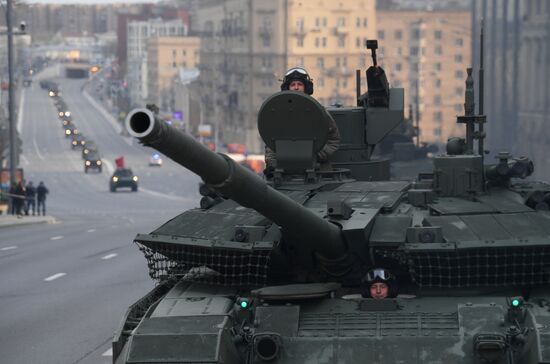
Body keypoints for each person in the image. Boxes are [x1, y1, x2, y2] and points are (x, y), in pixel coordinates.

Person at [265, 67, 341, 170]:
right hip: (285, 171)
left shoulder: (319, 112)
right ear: (288, 88)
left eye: (299, 84)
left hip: (317, 171)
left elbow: (333, 140)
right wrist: (272, 164)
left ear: (306, 87)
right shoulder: (279, 114)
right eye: (293, 85)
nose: (296, 88)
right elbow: (271, 142)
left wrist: (316, 156)